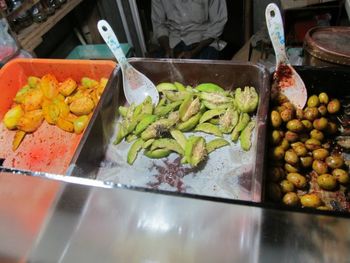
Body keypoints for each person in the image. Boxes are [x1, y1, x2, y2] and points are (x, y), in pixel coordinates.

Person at [151, 0, 228, 60]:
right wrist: (167, 49)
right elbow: (159, 24)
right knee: (160, 71)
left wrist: (195, 51)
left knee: (202, 72)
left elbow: (218, 22)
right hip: (172, 40)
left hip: (202, 40)